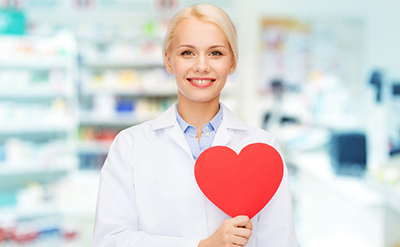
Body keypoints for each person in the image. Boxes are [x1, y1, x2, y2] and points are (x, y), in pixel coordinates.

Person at [92, 4, 297, 247]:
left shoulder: (262, 147)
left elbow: (279, 242)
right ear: (169, 61)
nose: (201, 66)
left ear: (232, 63)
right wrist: (202, 246)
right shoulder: (130, 146)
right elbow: (110, 241)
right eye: (187, 52)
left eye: (216, 53)